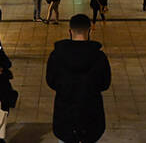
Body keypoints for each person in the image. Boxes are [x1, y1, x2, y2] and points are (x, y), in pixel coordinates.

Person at [46, 14, 111, 143]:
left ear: (70, 31)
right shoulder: (99, 57)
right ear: (89, 30)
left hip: (65, 117)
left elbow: (51, 81)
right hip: (91, 116)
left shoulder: (57, 55)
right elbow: (105, 84)